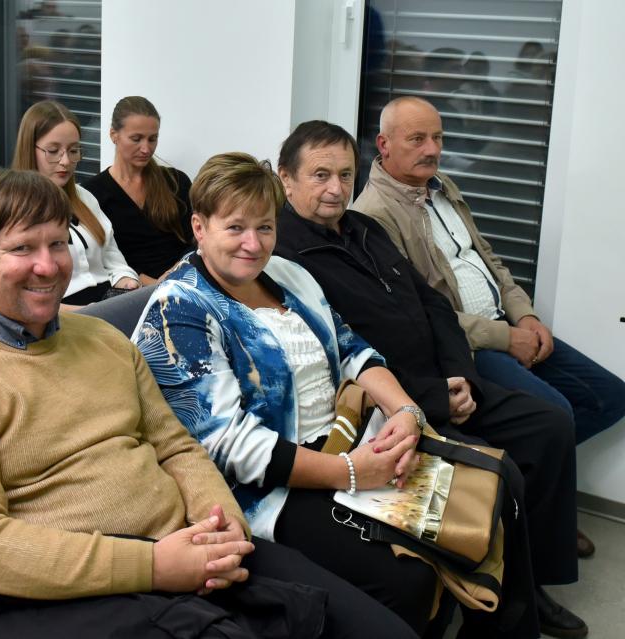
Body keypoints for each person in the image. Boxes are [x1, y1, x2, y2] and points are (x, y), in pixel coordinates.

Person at [0, 167, 419, 639]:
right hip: (82, 590)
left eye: (57, 244)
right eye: (22, 249)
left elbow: (176, 445)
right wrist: (155, 566)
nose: (48, 266)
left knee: (381, 627)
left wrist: (220, 523)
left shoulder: (102, 340)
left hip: (191, 547)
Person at [272, 120, 587, 639]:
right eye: (320, 175)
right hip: (391, 403)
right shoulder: (282, 255)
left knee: (550, 425)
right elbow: (338, 359)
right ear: (286, 178)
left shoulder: (364, 228)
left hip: (445, 377)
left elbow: (434, 305)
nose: (336, 188)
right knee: (500, 475)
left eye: (345, 174)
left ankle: (536, 582)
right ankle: (508, 603)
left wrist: (461, 375)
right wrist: (433, 398)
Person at [133, 151, 441, 633]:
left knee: (471, 508)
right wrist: (349, 472)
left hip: (346, 443)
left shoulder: (288, 274)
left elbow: (350, 348)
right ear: (199, 227)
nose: (253, 244)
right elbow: (227, 445)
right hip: (267, 488)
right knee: (410, 577)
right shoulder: (180, 309)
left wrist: (404, 410)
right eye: (235, 228)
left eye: (265, 227)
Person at [354, 96, 625, 450]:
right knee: (556, 415)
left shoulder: (441, 185)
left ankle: (518, 469)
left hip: (504, 322)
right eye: (417, 139)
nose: (432, 149)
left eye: (438, 137)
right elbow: (418, 315)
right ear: (384, 144)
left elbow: (486, 257)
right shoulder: (372, 215)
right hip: (466, 345)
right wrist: (506, 338)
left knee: (611, 396)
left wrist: (524, 315)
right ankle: (513, 470)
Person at [11, 99, 139, 304]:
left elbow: (114, 261)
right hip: (60, 310)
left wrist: (127, 281)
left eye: (73, 151)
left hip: (105, 300)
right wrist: (86, 313)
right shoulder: (11, 209)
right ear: (29, 150)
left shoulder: (85, 197)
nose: (66, 162)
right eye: (53, 151)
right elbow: (19, 297)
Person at [83, 96, 193, 283]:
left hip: (185, 280)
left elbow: (196, 240)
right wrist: (150, 284)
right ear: (113, 135)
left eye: (152, 139)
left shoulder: (176, 181)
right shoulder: (92, 193)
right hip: (129, 287)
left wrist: (174, 275)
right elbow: (101, 258)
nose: (146, 149)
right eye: (136, 139)